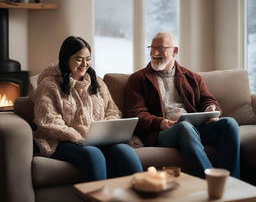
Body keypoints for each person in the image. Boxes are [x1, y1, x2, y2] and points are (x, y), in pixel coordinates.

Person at [125, 32, 240, 179]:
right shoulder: (138, 79)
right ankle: (211, 181)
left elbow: (208, 100)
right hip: (164, 133)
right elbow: (135, 113)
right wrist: (160, 122)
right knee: (184, 127)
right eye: (151, 48)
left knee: (229, 124)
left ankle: (233, 184)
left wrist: (210, 108)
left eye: (161, 48)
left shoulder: (192, 77)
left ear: (175, 51)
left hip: (194, 128)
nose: (154, 53)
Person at [31, 36, 143, 181]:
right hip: (63, 142)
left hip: (97, 139)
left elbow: (112, 110)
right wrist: (80, 137)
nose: (85, 64)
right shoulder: (49, 85)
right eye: (79, 59)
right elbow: (48, 121)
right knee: (93, 155)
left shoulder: (97, 82)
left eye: (88, 58)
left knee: (125, 151)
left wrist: (105, 132)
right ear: (66, 59)